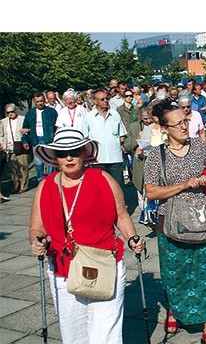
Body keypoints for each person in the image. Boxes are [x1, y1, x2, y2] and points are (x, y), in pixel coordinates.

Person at [28, 128, 145, 344]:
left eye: (74, 151)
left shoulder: (103, 179)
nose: (69, 157)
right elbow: (37, 227)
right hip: (63, 268)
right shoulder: (45, 186)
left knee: (105, 334)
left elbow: (121, 215)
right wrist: (37, 242)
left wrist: (132, 238)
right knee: (73, 335)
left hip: (105, 264)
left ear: (84, 153)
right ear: (55, 158)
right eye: (63, 153)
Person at [143, 101, 206, 344]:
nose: (184, 126)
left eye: (186, 121)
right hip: (169, 223)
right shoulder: (155, 155)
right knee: (175, 273)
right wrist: (183, 185)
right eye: (178, 123)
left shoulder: (200, 146)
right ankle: (174, 309)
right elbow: (151, 192)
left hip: (202, 219)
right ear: (165, 128)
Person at [81, 89, 128, 188]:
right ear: (95, 101)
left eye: (107, 98)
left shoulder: (115, 114)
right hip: (98, 159)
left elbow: (122, 135)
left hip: (115, 158)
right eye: (102, 99)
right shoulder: (89, 117)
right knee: (100, 187)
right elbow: (84, 138)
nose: (105, 101)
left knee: (117, 186)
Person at [22, 92, 58, 183]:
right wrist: (25, 141)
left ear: (44, 100)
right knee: (38, 163)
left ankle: (51, 181)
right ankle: (40, 180)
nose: (40, 103)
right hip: (36, 140)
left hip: (49, 140)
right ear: (34, 101)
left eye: (41, 101)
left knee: (50, 163)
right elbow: (25, 128)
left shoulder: (51, 112)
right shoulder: (30, 113)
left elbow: (57, 126)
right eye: (37, 101)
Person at [0, 103, 29, 194]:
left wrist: (26, 133)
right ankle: (16, 184)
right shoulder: (4, 121)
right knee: (13, 168)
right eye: (8, 112)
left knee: (23, 167)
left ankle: (24, 185)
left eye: (12, 111)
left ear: (15, 111)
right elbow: (2, 134)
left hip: (20, 145)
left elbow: (28, 129)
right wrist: (2, 144)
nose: (10, 114)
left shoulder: (22, 119)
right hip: (9, 147)